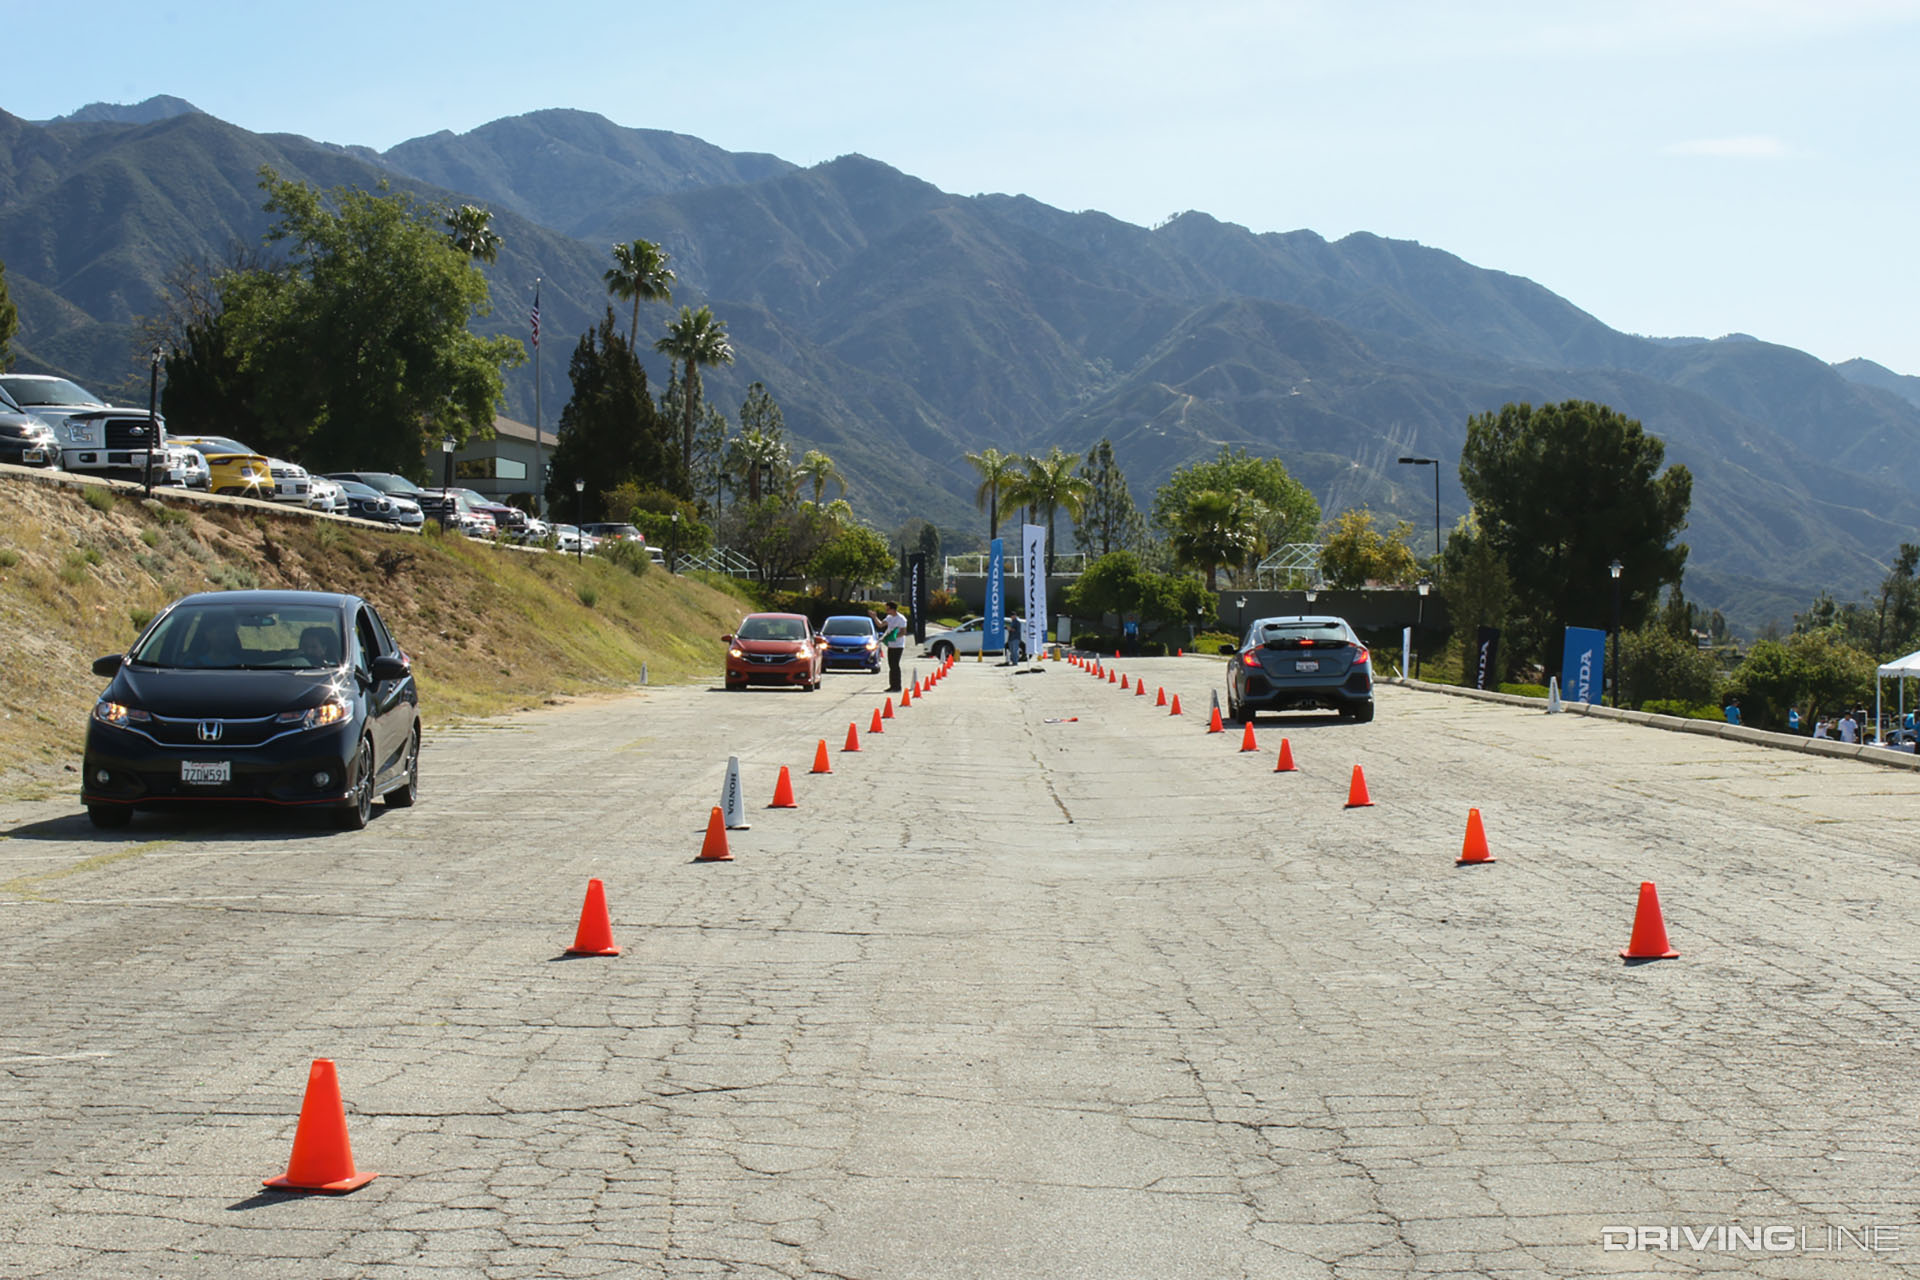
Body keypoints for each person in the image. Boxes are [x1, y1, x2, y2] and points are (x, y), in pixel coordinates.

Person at [880, 600, 907, 692]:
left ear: (893, 609)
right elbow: (881, 625)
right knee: (891, 665)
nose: (886, 611)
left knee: (895, 665)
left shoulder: (901, 619)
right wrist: (874, 617)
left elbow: (903, 632)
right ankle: (892, 685)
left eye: (888, 609)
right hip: (891, 645)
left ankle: (897, 686)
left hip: (898, 645)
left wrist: (893, 637)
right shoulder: (889, 617)